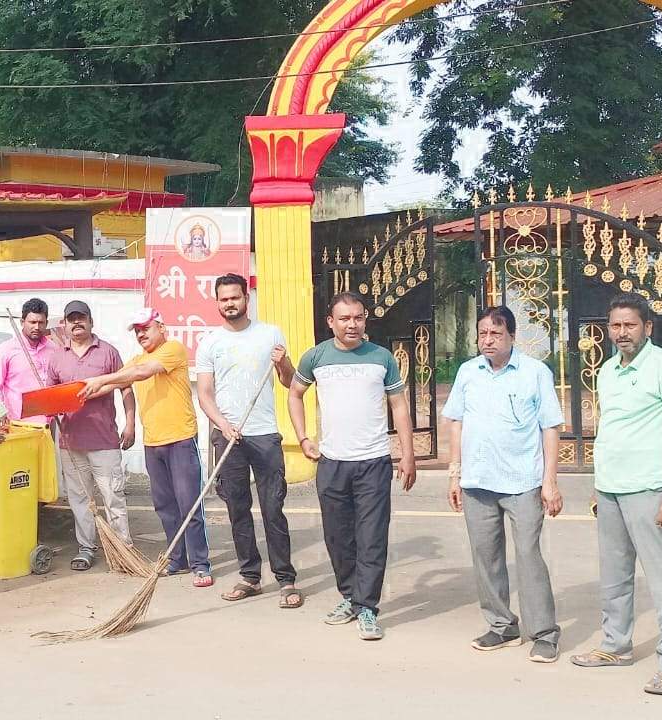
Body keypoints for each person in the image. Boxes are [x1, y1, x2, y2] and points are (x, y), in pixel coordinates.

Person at [569, 292, 662, 695]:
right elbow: (611, 430)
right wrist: (597, 483)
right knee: (614, 575)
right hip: (610, 489)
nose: (622, 333)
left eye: (630, 325)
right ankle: (615, 645)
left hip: (650, 488)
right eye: (616, 326)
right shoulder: (607, 370)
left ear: (648, 327)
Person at [288, 291, 415, 641]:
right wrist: (302, 437)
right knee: (338, 536)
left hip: (373, 462)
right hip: (332, 462)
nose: (352, 324)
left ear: (365, 319)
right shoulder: (316, 357)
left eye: (358, 317)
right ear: (331, 321)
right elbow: (294, 393)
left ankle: (368, 607)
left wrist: (407, 453)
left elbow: (399, 406)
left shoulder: (382, 358)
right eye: (344, 318)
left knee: (372, 537)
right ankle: (350, 597)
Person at [441, 306, 565, 664]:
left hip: (522, 481)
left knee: (528, 555)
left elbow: (550, 427)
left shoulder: (534, 373)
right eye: (482, 333)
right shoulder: (468, 372)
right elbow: (456, 424)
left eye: (495, 333)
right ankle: (501, 625)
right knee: (485, 557)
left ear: (512, 336)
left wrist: (550, 481)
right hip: (477, 481)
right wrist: (455, 473)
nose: (488, 340)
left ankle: (543, 632)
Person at [80, 308, 212, 587]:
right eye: (137, 330)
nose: (141, 334)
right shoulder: (135, 360)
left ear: (161, 328)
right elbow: (117, 383)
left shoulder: (172, 349)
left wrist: (102, 379)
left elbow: (141, 373)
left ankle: (201, 563)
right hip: (153, 443)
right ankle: (178, 560)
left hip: (180, 440)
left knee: (189, 505)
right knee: (165, 506)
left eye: (146, 328)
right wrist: (79, 394)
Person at [194, 274, 301, 608]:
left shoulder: (269, 334)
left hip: (264, 433)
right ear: (217, 302)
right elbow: (205, 393)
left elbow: (288, 381)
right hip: (228, 435)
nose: (230, 303)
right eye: (224, 299)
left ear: (246, 298)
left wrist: (282, 361)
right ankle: (250, 576)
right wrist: (222, 424)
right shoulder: (210, 342)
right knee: (237, 508)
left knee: (273, 508)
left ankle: (285, 579)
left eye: (235, 297)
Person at [46, 300, 136, 571]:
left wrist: (130, 424)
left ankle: (123, 550)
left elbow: (126, 388)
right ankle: (86, 548)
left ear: (91, 321)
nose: (76, 323)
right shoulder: (57, 357)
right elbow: (50, 399)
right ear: (64, 324)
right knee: (80, 501)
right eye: (71, 319)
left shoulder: (108, 352)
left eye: (81, 318)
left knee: (113, 497)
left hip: (104, 440)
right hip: (71, 442)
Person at [0, 297, 58, 424]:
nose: (37, 327)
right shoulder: (5, 350)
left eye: (41, 322)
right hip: (18, 425)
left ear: (46, 323)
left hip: (49, 425)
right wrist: (0, 414)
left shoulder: (53, 349)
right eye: (32, 322)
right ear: (22, 322)